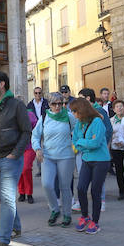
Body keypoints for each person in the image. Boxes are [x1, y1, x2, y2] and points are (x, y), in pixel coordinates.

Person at [0, 71, 32, 246]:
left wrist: (15, 154)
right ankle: (16, 227)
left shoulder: (17, 105)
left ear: (2, 84)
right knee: (4, 199)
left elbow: (26, 131)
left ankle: (3, 241)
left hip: (10, 159)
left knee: (7, 198)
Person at [32, 92, 78, 226]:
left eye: (60, 103)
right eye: (54, 104)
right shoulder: (44, 117)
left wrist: (76, 142)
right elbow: (35, 136)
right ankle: (54, 209)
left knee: (65, 187)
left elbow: (78, 130)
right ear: (49, 104)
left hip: (66, 156)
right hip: (48, 156)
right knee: (47, 184)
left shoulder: (69, 116)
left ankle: (67, 214)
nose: (58, 107)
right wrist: (37, 149)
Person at [70, 98, 110, 234]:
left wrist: (82, 143)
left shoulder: (97, 122)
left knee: (95, 191)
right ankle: (85, 216)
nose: (74, 114)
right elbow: (75, 141)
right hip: (87, 159)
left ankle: (96, 222)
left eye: (75, 111)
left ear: (82, 110)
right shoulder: (79, 124)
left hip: (101, 160)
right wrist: (84, 142)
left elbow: (96, 143)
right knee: (81, 188)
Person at [17, 109, 39, 203]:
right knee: (18, 170)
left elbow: (37, 130)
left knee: (25, 168)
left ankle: (29, 193)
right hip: (16, 147)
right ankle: (21, 192)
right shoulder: (9, 115)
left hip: (29, 146)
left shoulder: (30, 115)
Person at [109, 99, 124, 200]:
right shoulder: (111, 120)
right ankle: (122, 191)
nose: (119, 108)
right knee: (119, 171)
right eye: (117, 107)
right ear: (114, 109)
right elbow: (109, 135)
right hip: (116, 148)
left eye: (121, 106)